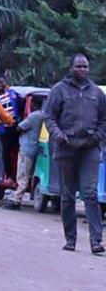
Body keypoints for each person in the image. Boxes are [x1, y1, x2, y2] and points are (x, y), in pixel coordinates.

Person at [43, 53, 106, 254]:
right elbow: (49, 117)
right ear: (71, 68)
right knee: (67, 197)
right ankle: (70, 239)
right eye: (78, 66)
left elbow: (104, 121)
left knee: (90, 194)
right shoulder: (59, 90)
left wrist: (96, 137)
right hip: (66, 149)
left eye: (85, 67)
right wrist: (58, 135)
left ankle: (96, 241)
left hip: (89, 148)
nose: (82, 70)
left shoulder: (97, 93)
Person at [1, 99, 47, 210]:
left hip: (27, 148)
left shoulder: (34, 116)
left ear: (32, 104)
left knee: (22, 175)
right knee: (28, 174)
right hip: (35, 148)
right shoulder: (44, 115)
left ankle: (17, 201)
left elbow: (19, 127)